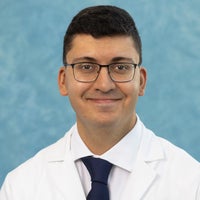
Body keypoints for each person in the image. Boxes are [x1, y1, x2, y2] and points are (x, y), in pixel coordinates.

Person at [0, 5, 200, 200]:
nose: (104, 85)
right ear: (63, 81)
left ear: (141, 81)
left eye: (120, 67)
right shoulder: (20, 187)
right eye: (86, 66)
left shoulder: (191, 183)